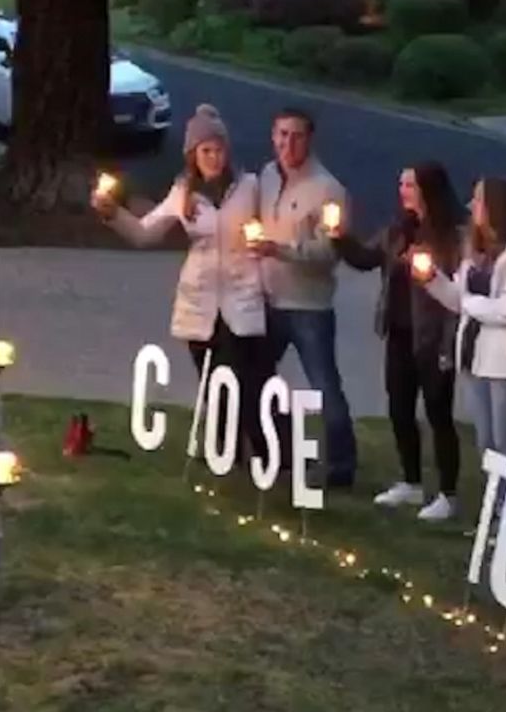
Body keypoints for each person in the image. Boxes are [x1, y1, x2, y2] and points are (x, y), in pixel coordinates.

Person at [91, 103, 271, 464]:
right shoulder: (184, 193)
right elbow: (145, 234)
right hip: (199, 300)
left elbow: (273, 226)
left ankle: (261, 451)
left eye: (219, 150)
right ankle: (224, 451)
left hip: (241, 296)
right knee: (211, 380)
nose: (214, 157)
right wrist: (113, 214)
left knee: (240, 378)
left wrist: (266, 243)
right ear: (193, 154)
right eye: (206, 151)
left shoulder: (250, 187)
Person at [332, 162, 463, 521]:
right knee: (400, 408)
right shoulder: (397, 231)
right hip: (400, 332)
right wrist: (339, 237)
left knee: (439, 414)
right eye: (401, 182)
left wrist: (450, 345)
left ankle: (448, 494)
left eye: (409, 183)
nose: (402, 189)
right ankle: (411, 481)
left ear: (427, 189)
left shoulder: (451, 237)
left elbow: (458, 294)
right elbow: (364, 258)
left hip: (434, 338)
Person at [251, 107, 357, 487]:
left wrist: (280, 249)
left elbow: (328, 252)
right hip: (267, 299)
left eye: (296, 136)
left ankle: (341, 464)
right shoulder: (265, 177)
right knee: (257, 377)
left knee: (325, 385)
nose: (287, 143)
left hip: (308, 306)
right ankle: (275, 446)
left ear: (309, 139)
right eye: (281, 134)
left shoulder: (328, 190)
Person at [423, 177, 506, 474]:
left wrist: (469, 303)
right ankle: (497, 508)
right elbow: (457, 299)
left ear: (496, 208)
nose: (471, 205)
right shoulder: (475, 252)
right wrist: (432, 280)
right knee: (486, 441)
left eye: (478, 200)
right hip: (473, 358)